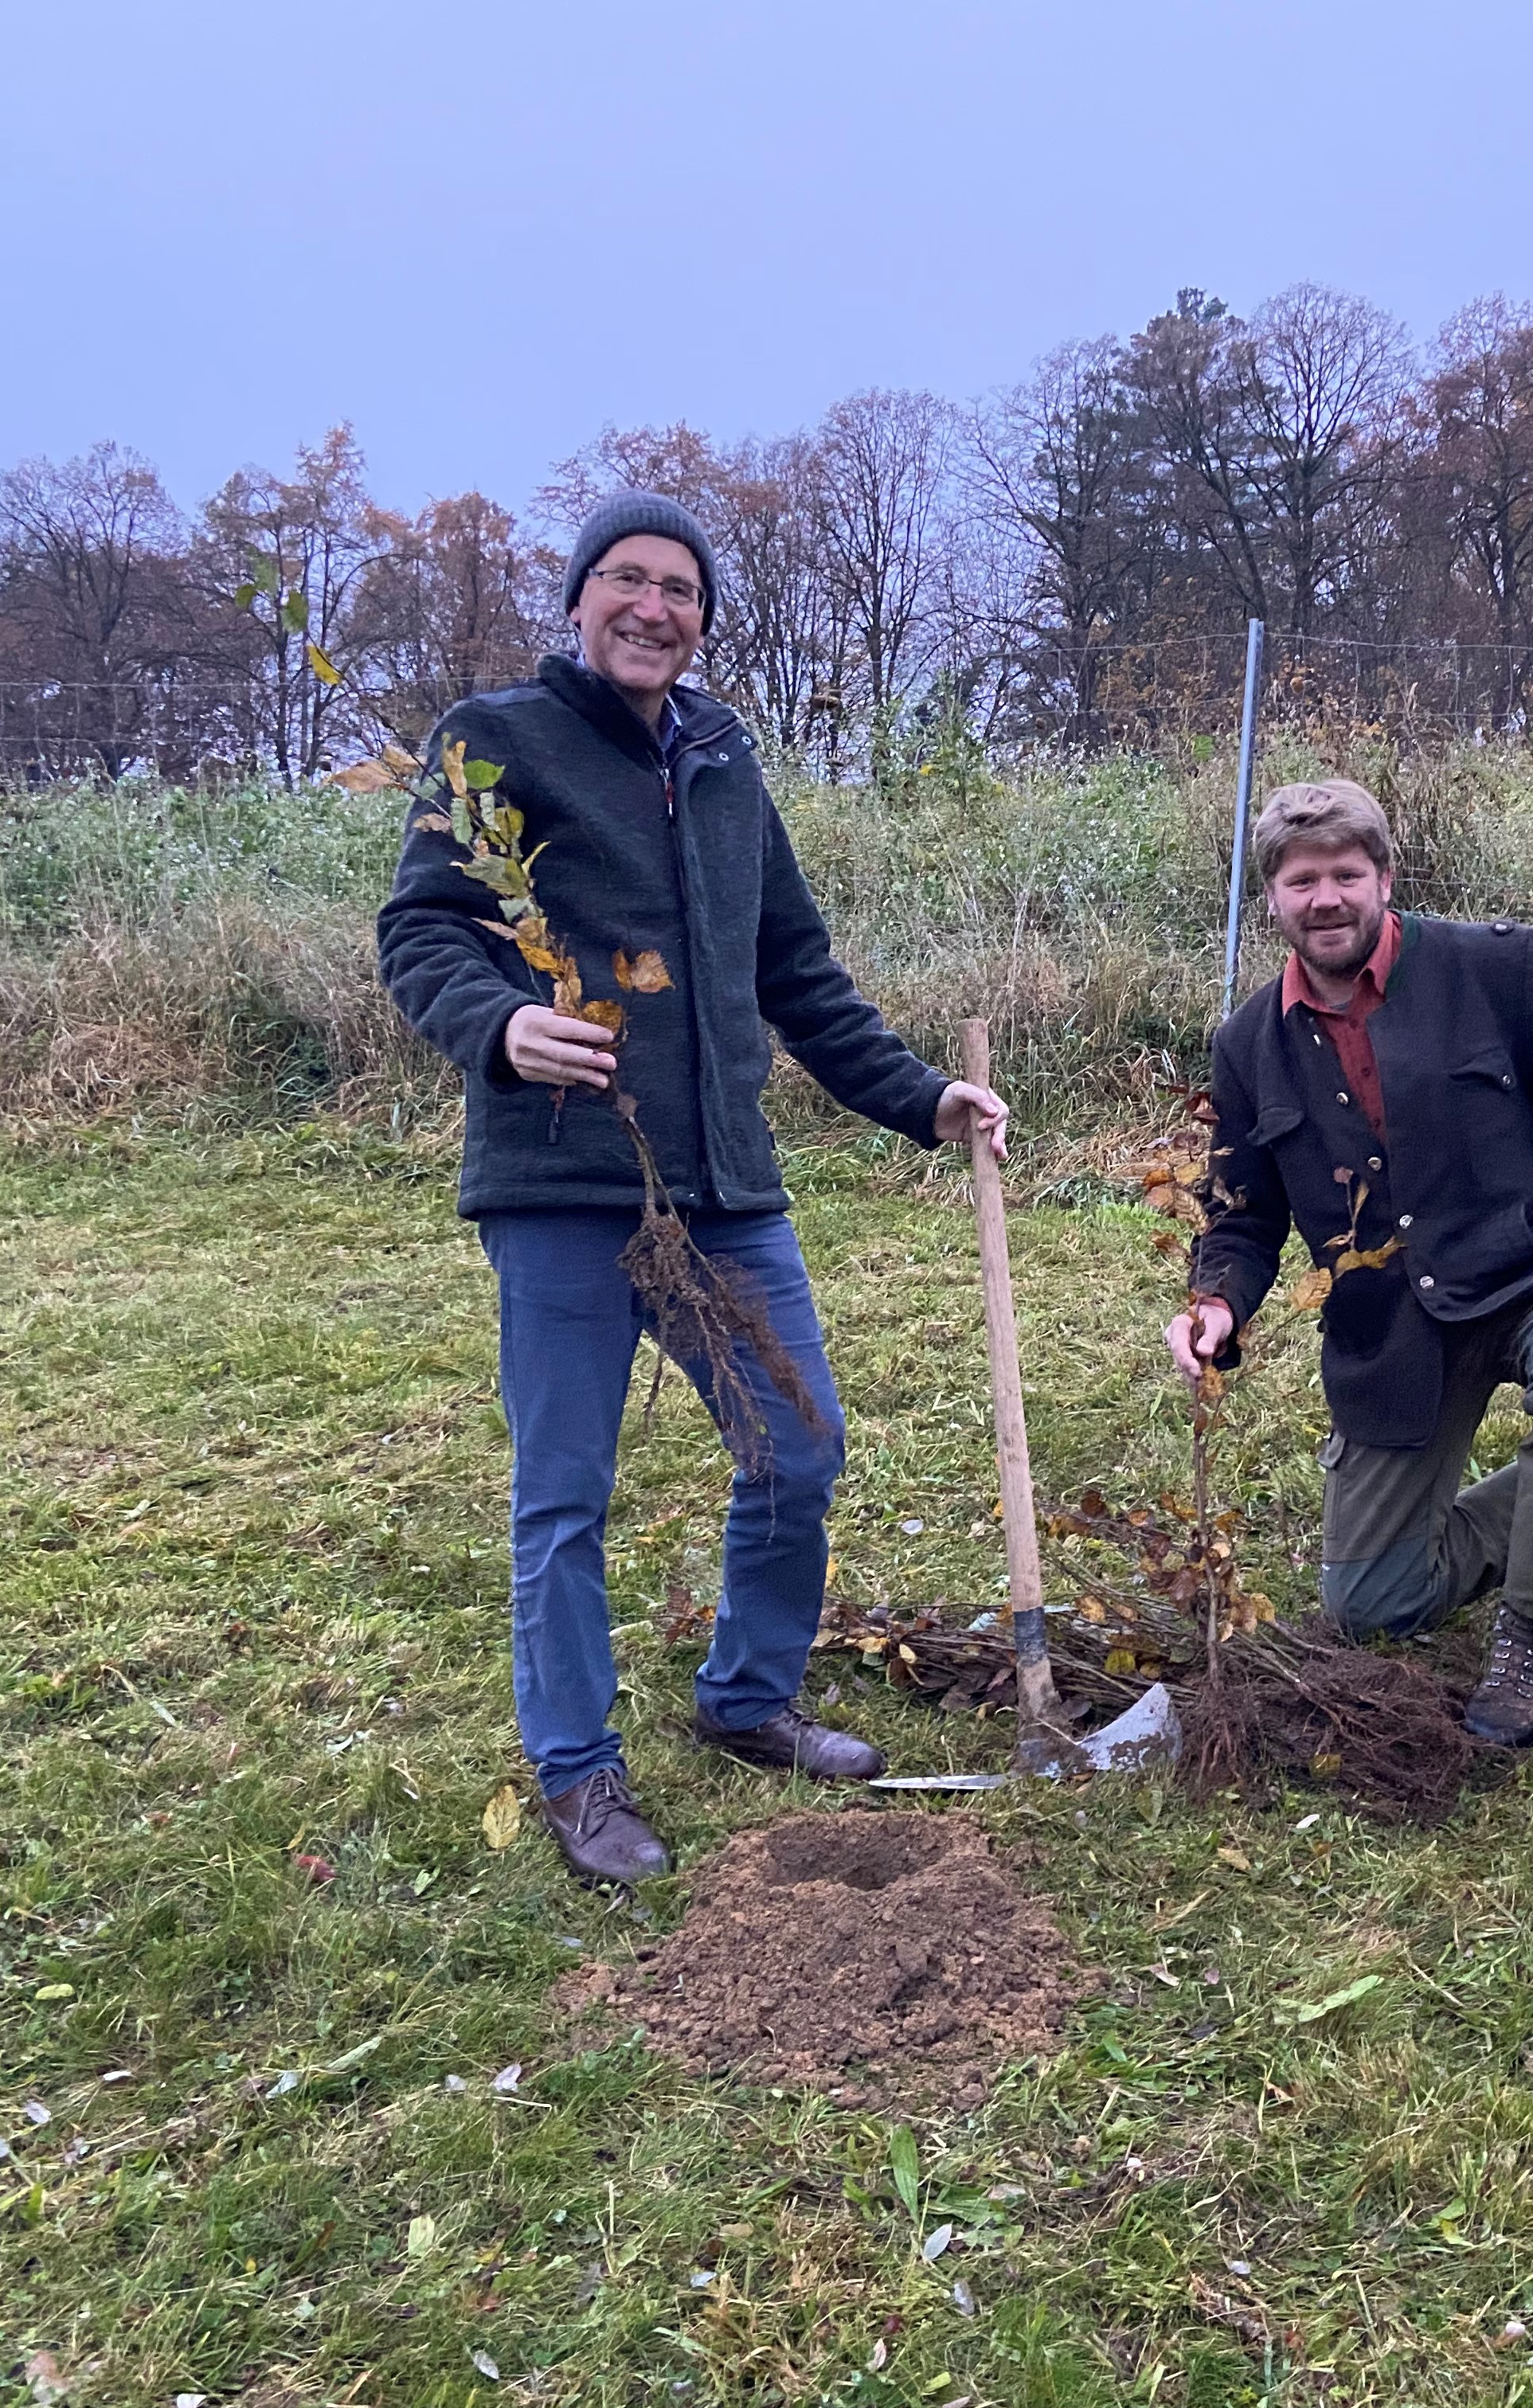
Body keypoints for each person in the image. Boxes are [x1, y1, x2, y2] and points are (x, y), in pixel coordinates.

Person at [378, 491, 1007, 1885]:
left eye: (679, 589)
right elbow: (419, 928)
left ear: (704, 621)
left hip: (720, 1187)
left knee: (798, 1446)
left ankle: (745, 1695)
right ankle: (579, 1770)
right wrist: (498, 1023)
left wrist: (923, 1096)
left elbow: (798, 977)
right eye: (625, 579)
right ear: (576, 601)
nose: (652, 605)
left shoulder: (724, 761)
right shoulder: (496, 740)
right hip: (561, 1181)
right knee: (565, 1493)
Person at [1168, 779, 1533, 1749]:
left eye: (1346, 875)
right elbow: (1242, 1209)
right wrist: (1216, 1302)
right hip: (1390, 1323)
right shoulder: (1250, 1043)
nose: (1326, 898)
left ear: (1384, 879)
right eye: (1301, 880)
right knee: (1376, 1606)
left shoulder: (1503, 970)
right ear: (1272, 897)